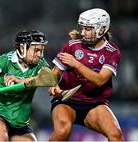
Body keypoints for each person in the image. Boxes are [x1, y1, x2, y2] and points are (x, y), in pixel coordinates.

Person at [49, 8, 124, 141]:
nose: (82, 33)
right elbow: (55, 73)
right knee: (62, 131)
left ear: (101, 29)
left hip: (94, 103)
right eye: (82, 28)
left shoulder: (112, 52)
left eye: (88, 29)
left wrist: (76, 63)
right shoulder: (71, 46)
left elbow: (100, 80)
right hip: (66, 101)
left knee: (116, 135)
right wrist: (53, 85)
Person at [0, 29, 49, 141]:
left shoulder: (41, 64)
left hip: (20, 124)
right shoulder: (6, 60)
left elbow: (49, 78)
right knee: (1, 138)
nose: (40, 55)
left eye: (41, 51)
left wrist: (20, 81)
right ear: (22, 48)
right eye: (36, 50)